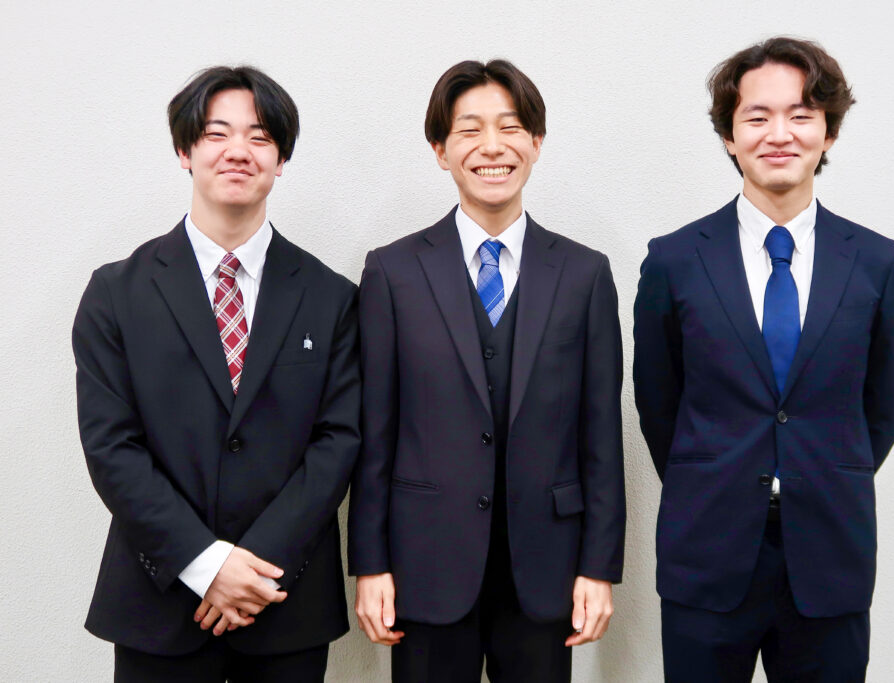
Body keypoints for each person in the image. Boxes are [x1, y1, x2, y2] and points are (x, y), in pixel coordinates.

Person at [633, 37, 894, 682]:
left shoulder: (878, 262)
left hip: (830, 552)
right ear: (729, 136)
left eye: (801, 115)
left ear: (828, 132)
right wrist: (716, 476)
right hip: (707, 550)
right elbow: (659, 403)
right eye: (757, 117)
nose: (779, 134)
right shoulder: (674, 260)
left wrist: (822, 471)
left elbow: (885, 407)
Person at [72, 65, 360, 682]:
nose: (238, 151)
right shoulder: (115, 293)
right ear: (185, 150)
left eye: (260, 136)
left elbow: (337, 442)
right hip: (159, 602)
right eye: (216, 133)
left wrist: (254, 567)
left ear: (281, 159)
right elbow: (111, 446)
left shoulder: (331, 297)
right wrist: (205, 565)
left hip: (284, 600)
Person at [348, 59, 626, 683]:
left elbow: (602, 436)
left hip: (548, 566)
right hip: (424, 563)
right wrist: (370, 564)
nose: (492, 147)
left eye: (511, 127)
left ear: (537, 143)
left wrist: (599, 566)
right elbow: (374, 434)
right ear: (440, 150)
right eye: (469, 130)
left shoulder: (584, 274)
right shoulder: (392, 272)